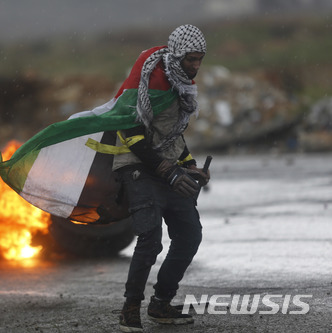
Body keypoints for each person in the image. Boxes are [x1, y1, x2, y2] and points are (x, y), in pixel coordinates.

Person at [114, 24, 210, 332]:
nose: (195, 66)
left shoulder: (182, 84)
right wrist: (167, 171)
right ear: (178, 55)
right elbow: (130, 132)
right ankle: (130, 309)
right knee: (150, 239)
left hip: (166, 168)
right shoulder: (149, 81)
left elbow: (172, 135)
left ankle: (161, 304)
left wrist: (190, 165)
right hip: (137, 165)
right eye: (191, 59)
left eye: (200, 59)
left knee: (189, 234)